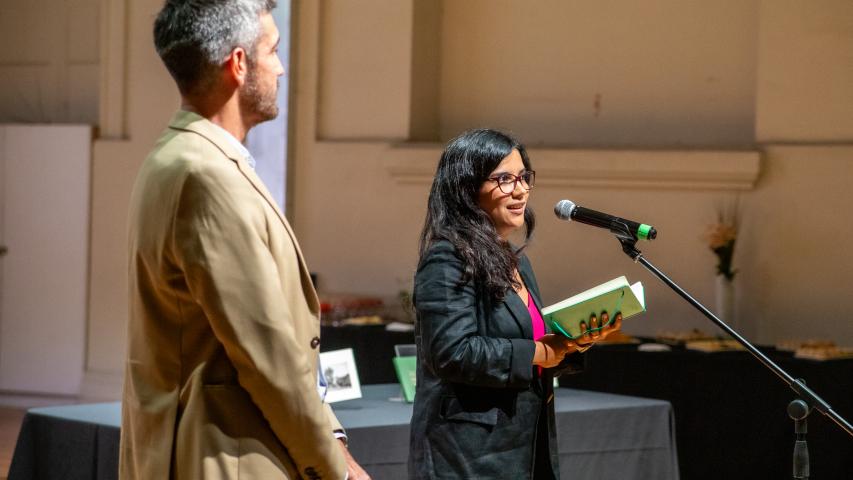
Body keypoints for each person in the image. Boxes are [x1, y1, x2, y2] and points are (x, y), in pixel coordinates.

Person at [119, 1, 369, 478]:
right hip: (226, 456)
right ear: (238, 64)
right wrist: (337, 467)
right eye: (273, 50)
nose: (282, 67)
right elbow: (267, 356)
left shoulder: (173, 157)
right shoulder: (206, 174)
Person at [408, 129, 622, 479]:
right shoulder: (447, 258)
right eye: (505, 179)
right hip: (466, 457)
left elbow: (533, 345)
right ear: (467, 187)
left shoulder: (516, 261)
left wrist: (573, 342)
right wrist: (539, 353)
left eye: (523, 177)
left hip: (523, 448)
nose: (521, 190)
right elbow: (451, 353)